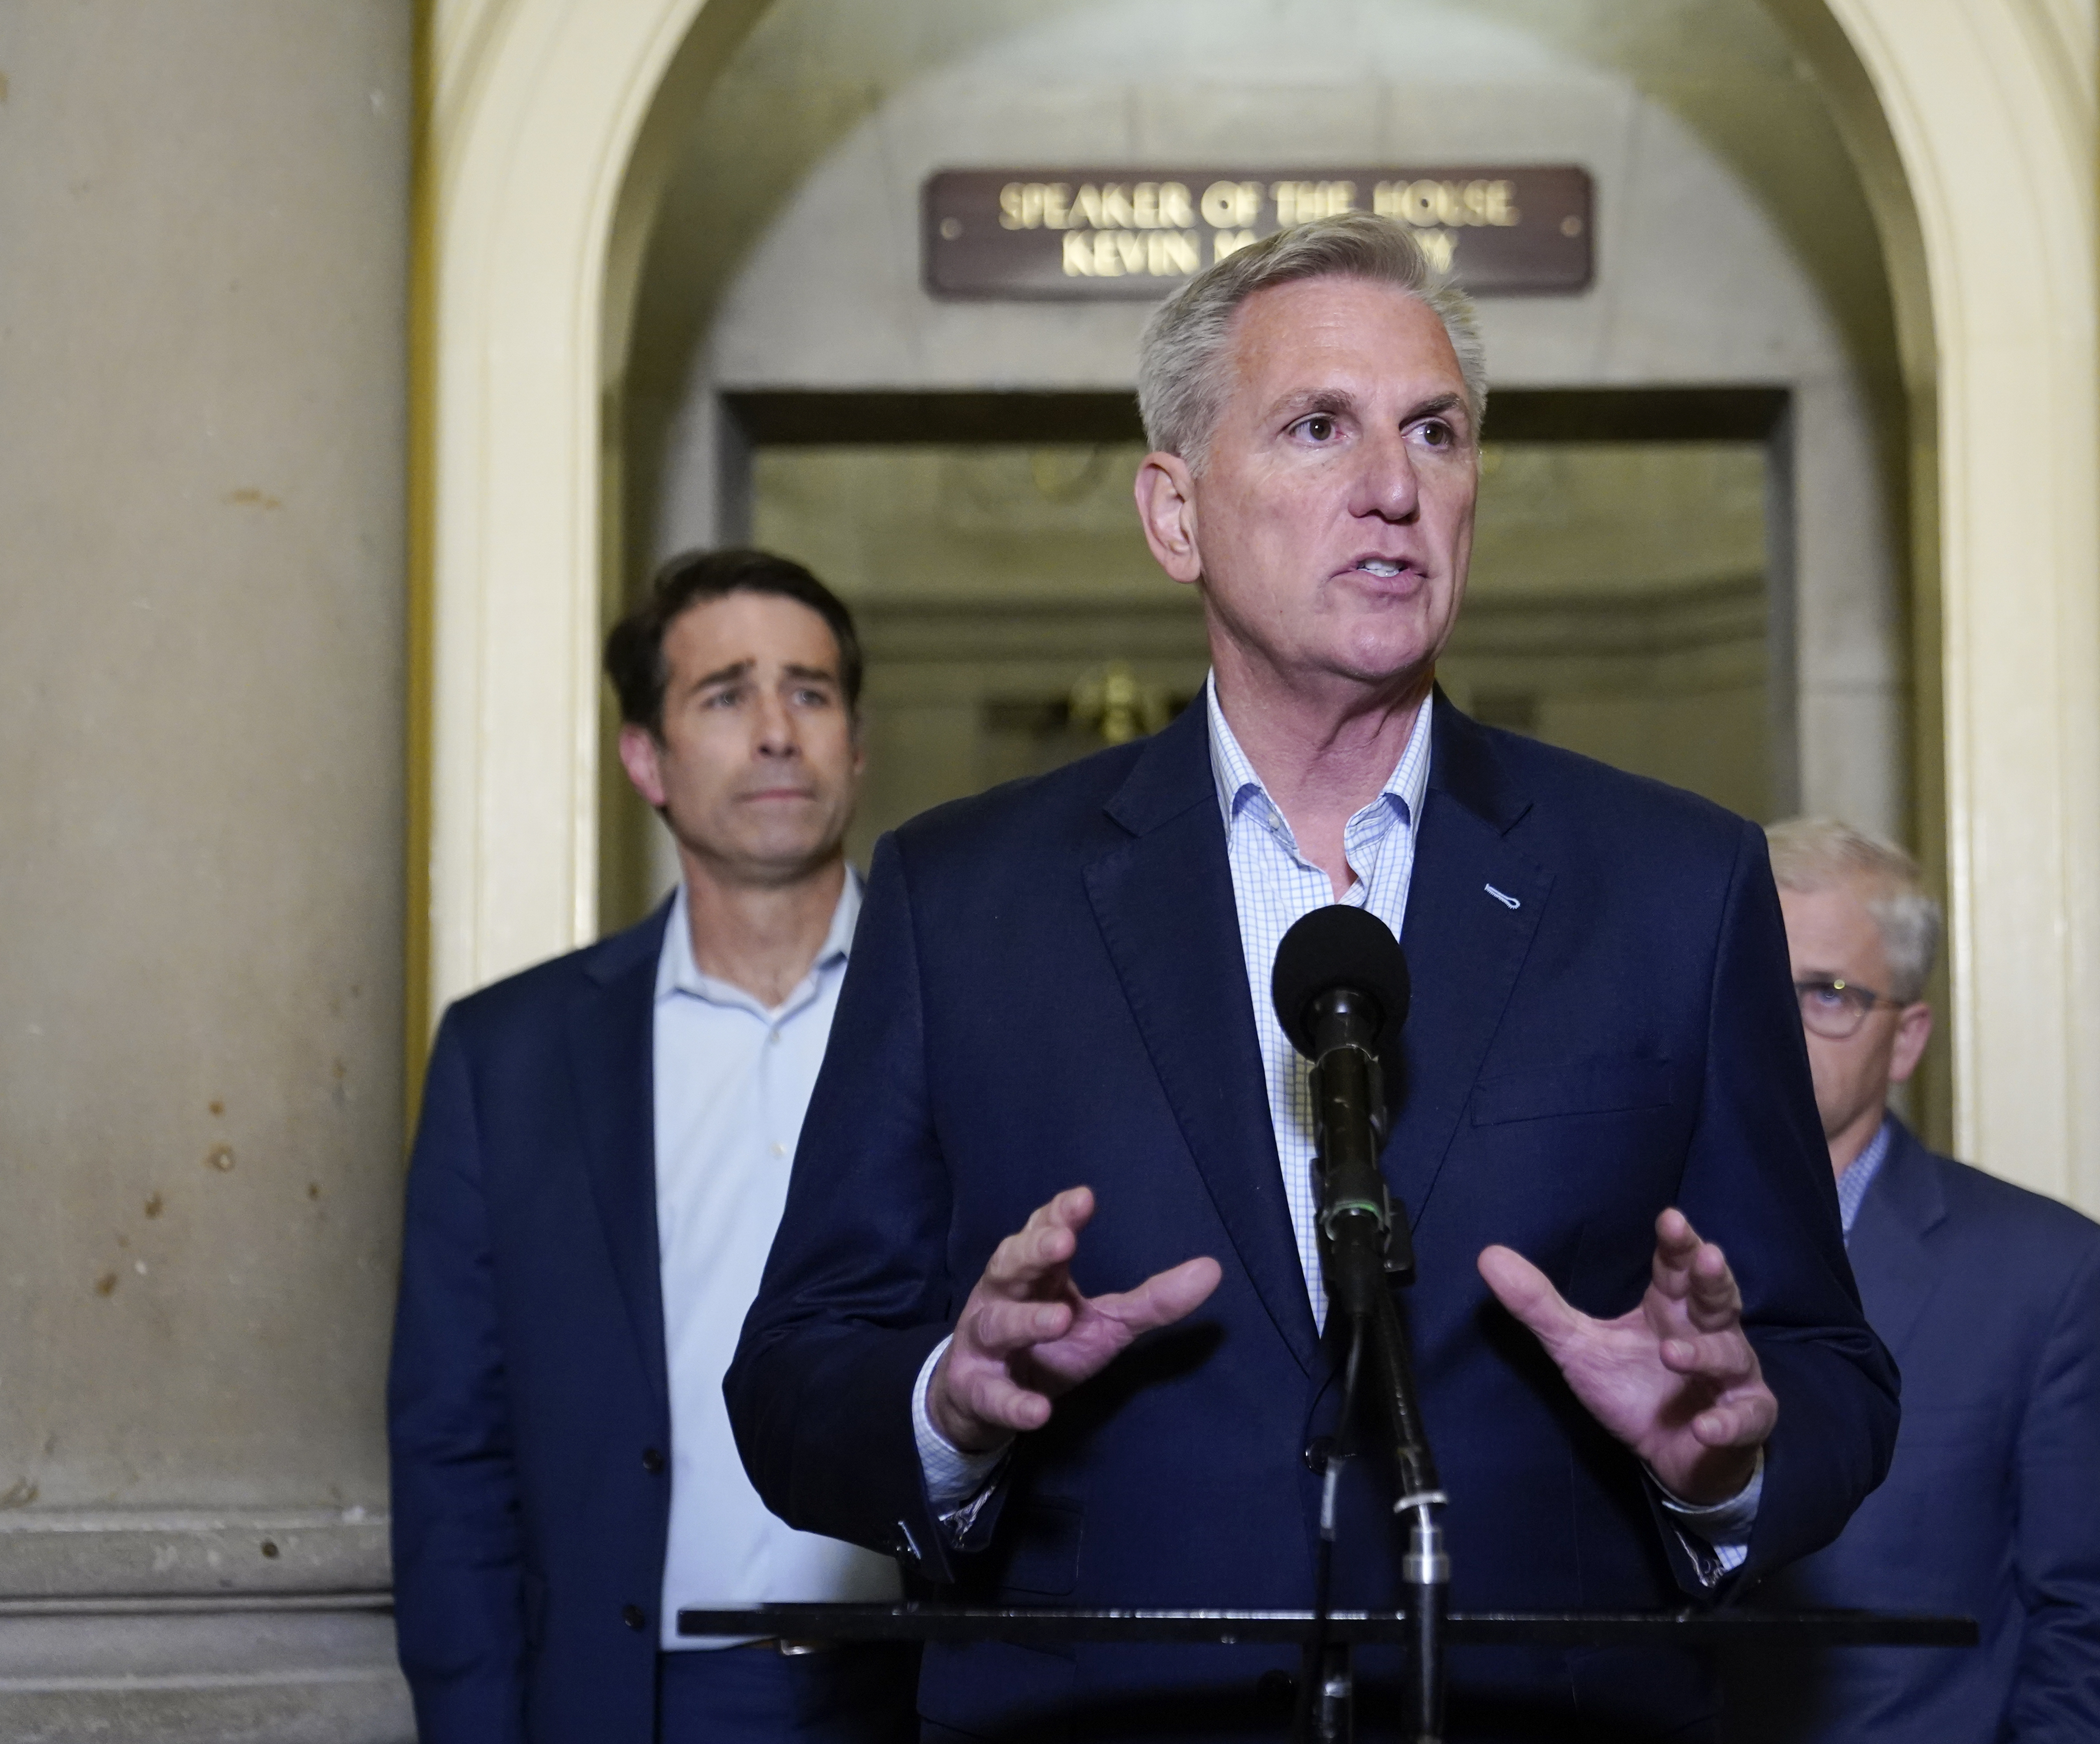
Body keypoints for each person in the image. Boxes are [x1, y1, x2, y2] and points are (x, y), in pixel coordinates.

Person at [725, 215, 1897, 1740]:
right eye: (1315, 428)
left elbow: (1826, 1370)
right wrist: (950, 1402)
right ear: (1174, 514)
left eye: (1435, 433)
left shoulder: (1674, 885)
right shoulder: (966, 897)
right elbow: (801, 1373)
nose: (1394, 489)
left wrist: (1724, 1454)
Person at [388, 550, 917, 1743]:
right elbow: (451, 1446)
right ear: (646, 758)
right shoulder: (509, 1056)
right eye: (726, 694)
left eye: (812, 691)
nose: (777, 730)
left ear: (857, 739)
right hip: (638, 1694)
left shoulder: (975, 1012)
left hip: (917, 1684)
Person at [1734, 817, 2100, 1743]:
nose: (1771, 1023)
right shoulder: (1605, 1245)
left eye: (1826, 994)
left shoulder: (2044, 1274)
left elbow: (2092, 1626)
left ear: (1904, 1038)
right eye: (1746, 982)